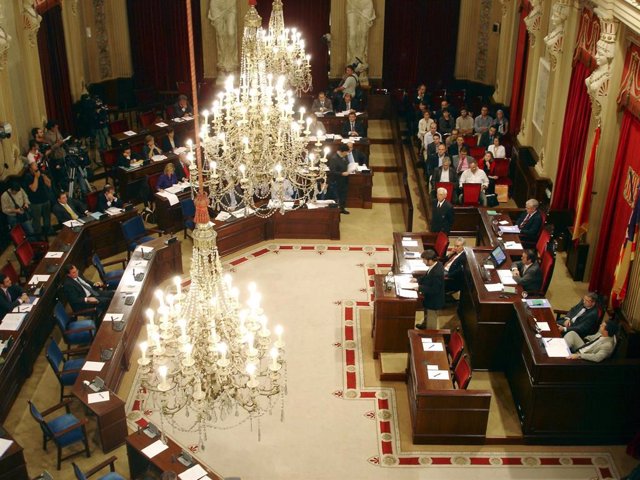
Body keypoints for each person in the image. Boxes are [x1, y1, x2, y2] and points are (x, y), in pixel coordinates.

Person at [414, 249, 445, 330]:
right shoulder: (436, 265)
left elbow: (435, 289)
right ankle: (424, 325)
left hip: (434, 301)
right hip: (429, 298)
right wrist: (417, 280)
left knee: (431, 321)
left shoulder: (437, 273)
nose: (423, 262)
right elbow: (427, 276)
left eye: (424, 260)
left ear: (430, 260)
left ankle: (430, 336)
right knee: (426, 313)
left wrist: (419, 287)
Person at [208, 0, 238, 76]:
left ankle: (232, 62)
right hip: (216, 4)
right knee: (220, 34)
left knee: (231, 33)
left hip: (230, 3)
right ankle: (222, 62)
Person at [23, 160, 53, 237]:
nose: (37, 168)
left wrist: (44, 176)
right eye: (35, 167)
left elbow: (49, 184)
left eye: (37, 167)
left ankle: (48, 230)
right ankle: (38, 235)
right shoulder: (28, 176)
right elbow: (34, 189)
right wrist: (36, 177)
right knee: (37, 220)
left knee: (47, 217)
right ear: (30, 169)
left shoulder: (40, 174)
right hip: (35, 202)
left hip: (45, 199)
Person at [327, 144, 351, 214]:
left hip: (344, 180)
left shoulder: (345, 156)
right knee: (337, 196)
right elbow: (332, 171)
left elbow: (347, 164)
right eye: (346, 152)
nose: (347, 153)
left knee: (343, 195)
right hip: (336, 181)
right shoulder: (334, 158)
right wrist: (341, 173)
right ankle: (336, 210)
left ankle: (342, 208)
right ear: (341, 151)